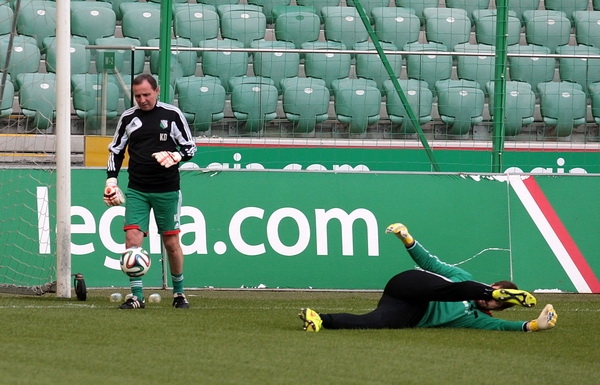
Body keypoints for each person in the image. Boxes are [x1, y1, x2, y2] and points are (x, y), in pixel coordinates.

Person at [299, 223, 558, 332]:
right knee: (453, 288)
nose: (489, 305)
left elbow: (503, 326)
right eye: (491, 293)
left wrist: (535, 325)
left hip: (409, 312)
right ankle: (486, 289)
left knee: (374, 321)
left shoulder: (475, 319)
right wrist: (406, 238)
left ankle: (319, 320)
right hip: (413, 284)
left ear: (498, 307)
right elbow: (429, 263)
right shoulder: (463, 277)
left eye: (494, 302)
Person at [103, 73, 197, 310]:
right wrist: (112, 181)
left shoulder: (171, 115)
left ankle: (179, 293)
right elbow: (116, 151)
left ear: (157, 91)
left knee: (171, 242)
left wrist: (175, 156)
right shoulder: (128, 118)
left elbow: (190, 147)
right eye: (137, 96)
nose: (142, 100)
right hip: (137, 189)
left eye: (146, 94)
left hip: (167, 189)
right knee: (132, 238)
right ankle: (136, 295)